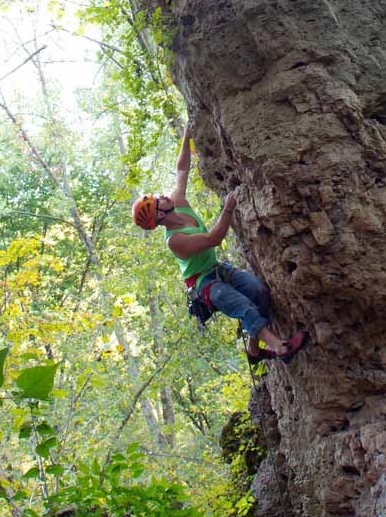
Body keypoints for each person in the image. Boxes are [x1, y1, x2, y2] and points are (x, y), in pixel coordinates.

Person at [132, 123, 309, 365]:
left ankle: (255, 351)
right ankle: (280, 348)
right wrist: (228, 208)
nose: (162, 197)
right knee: (244, 307)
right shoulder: (175, 241)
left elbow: (181, 169)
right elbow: (213, 239)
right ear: (158, 217)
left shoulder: (178, 201)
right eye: (157, 202)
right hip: (203, 283)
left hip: (218, 268)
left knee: (260, 292)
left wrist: (186, 136)